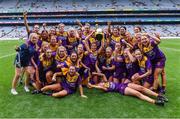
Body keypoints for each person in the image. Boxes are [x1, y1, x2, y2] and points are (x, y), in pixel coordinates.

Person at [88, 81, 167, 106]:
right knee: (137, 93)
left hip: (124, 84)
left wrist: (95, 74)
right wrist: (93, 86)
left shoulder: (105, 82)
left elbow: (102, 75)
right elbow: (101, 88)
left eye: (100, 83)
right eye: (99, 84)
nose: (100, 84)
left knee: (141, 88)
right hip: (121, 89)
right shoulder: (105, 88)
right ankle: (155, 102)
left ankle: (159, 96)